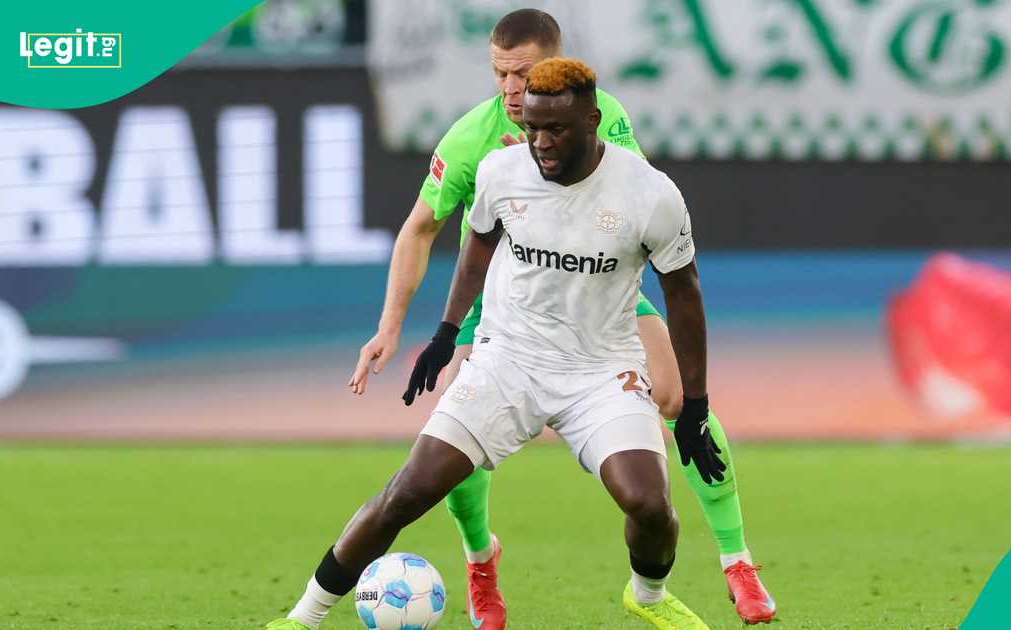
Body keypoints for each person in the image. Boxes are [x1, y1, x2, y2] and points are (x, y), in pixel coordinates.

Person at [349, 9, 775, 628]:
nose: (509, 88)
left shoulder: (601, 113)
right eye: (499, 73)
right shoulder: (470, 139)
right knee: (453, 426)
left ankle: (737, 560)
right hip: (501, 299)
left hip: (595, 284)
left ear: (555, 66)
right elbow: (420, 228)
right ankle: (480, 560)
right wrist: (390, 326)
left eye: (521, 73)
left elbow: (630, 193)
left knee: (679, 394)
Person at [269, 56, 719, 630]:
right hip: (507, 360)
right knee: (407, 492)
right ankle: (302, 618)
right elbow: (477, 246)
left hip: (602, 370)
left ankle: (648, 596)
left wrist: (696, 405)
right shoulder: (502, 171)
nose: (541, 143)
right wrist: (445, 334)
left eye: (556, 129)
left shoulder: (650, 194)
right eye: (532, 127)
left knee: (651, 507)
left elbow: (684, 297)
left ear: (592, 120)